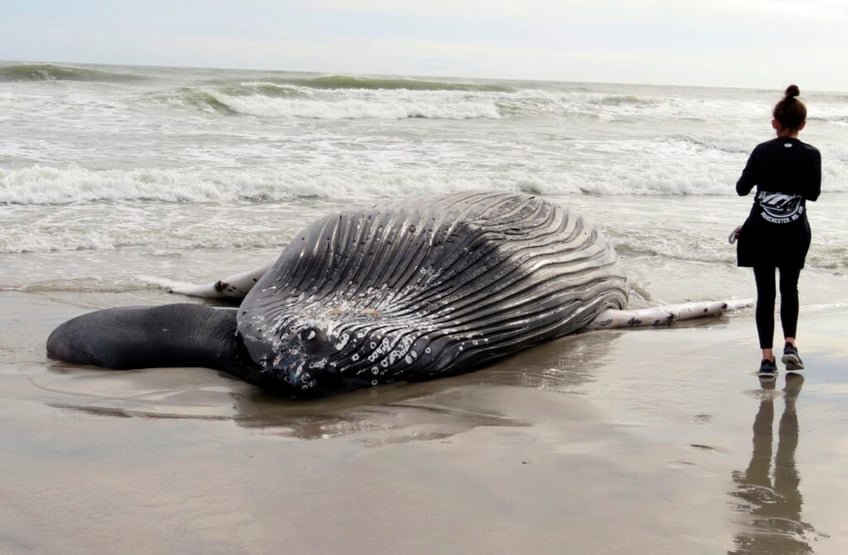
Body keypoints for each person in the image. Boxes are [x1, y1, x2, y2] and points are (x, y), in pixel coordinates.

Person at [735, 84, 821, 379]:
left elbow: (741, 189)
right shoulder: (812, 154)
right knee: (790, 288)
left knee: (765, 294)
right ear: (803, 124)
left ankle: (767, 361)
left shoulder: (761, 151)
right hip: (795, 232)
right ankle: (790, 345)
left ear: (775, 123)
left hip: (760, 231)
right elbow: (813, 194)